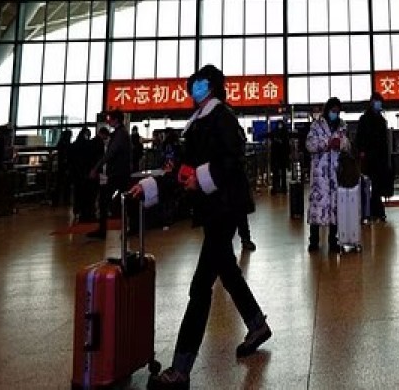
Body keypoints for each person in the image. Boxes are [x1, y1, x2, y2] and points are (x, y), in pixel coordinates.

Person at [132, 65, 271, 390]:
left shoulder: (220, 115)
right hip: (216, 209)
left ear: (209, 87)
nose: (192, 89)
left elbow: (232, 157)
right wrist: (152, 186)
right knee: (228, 272)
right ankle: (256, 325)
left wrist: (202, 177)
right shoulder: (198, 122)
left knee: (200, 287)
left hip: (223, 208)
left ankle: (180, 371)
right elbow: (182, 168)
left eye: (198, 84)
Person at [305, 97, 350, 252]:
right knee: (318, 206)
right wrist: (326, 144)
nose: (335, 114)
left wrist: (341, 144)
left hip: (336, 173)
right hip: (320, 175)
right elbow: (309, 145)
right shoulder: (316, 126)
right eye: (333, 111)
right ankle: (314, 240)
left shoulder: (342, 126)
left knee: (335, 207)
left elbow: (348, 144)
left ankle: (333, 240)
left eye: (337, 112)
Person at [87, 110, 132, 240]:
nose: (108, 121)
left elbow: (110, 153)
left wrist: (96, 168)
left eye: (110, 119)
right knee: (121, 200)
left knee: (104, 200)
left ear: (116, 120)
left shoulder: (119, 135)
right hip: (121, 173)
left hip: (118, 174)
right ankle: (129, 227)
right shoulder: (121, 133)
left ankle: (102, 230)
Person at [355, 92, 390, 222]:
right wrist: (361, 151)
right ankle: (370, 210)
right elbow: (359, 138)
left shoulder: (381, 120)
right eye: (377, 102)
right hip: (368, 157)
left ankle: (375, 210)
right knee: (367, 184)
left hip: (380, 157)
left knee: (377, 185)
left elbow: (384, 142)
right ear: (372, 102)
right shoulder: (364, 119)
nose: (379, 104)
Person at [69, 128, 97, 222]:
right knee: (85, 193)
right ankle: (84, 211)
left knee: (77, 192)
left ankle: (76, 210)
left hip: (76, 173)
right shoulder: (88, 145)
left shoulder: (74, 145)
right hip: (85, 172)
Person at [53, 129, 73, 206]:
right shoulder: (67, 144)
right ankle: (65, 200)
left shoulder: (60, 143)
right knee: (66, 185)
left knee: (58, 184)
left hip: (60, 166)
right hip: (66, 167)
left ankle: (56, 201)